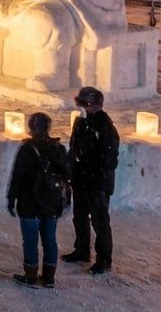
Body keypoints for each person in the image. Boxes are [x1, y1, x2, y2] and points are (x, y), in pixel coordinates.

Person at [7, 112, 71, 288]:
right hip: (51, 202)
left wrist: (11, 198)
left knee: (30, 240)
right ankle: (49, 277)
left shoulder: (26, 149)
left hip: (29, 202)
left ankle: (31, 274)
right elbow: (67, 175)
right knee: (49, 239)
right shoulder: (58, 148)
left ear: (30, 127)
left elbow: (17, 177)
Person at [63, 86, 119, 274]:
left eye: (86, 104)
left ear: (96, 105)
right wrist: (71, 169)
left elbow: (109, 160)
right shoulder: (81, 123)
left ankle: (104, 259)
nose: (84, 108)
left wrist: (94, 172)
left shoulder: (105, 128)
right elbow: (74, 148)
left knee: (99, 221)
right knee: (79, 216)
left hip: (97, 183)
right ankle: (82, 249)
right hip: (81, 179)